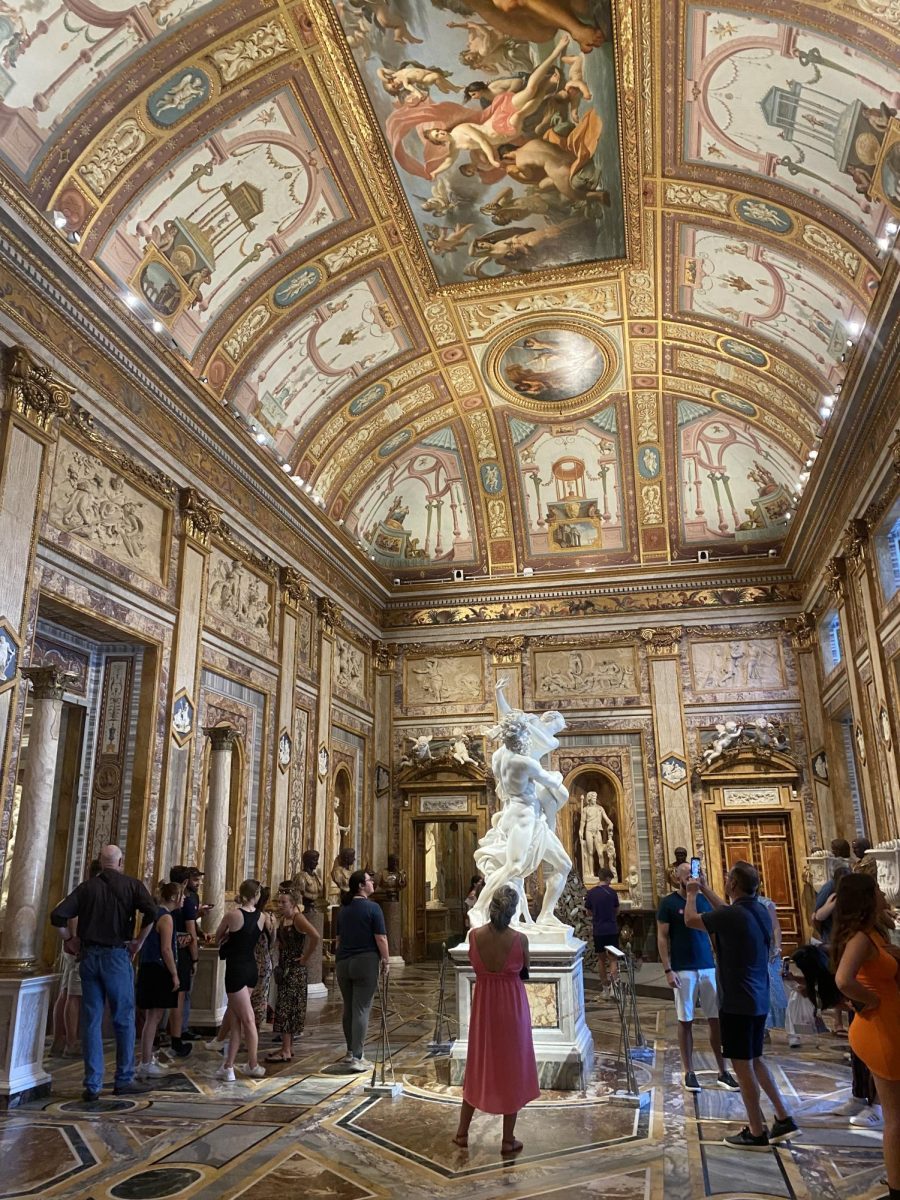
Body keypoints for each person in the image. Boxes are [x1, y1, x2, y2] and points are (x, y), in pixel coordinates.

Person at [685, 862, 799, 1150]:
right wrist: (705, 888)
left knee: (743, 1066)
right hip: (757, 997)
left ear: (734, 884)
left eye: (727, 880)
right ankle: (783, 1117)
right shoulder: (757, 909)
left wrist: (690, 894)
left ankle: (756, 1130)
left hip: (738, 1001)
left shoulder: (734, 915)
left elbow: (690, 920)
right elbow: (725, 910)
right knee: (756, 1060)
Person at [49, 843, 157, 1101]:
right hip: (117, 956)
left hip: (89, 957)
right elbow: (152, 913)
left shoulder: (87, 888)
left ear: (101, 861)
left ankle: (93, 1084)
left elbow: (57, 916)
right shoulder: (132, 886)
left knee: (91, 1019)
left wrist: (68, 940)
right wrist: (139, 941)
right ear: (120, 863)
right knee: (123, 1017)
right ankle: (123, 1079)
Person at [453, 885, 539, 1156]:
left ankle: (462, 1133)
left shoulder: (474, 936)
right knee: (511, 1066)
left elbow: (473, 963)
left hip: (484, 1005)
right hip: (512, 1005)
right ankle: (507, 1139)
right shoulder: (520, 939)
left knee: (479, 1063)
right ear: (513, 911)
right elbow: (525, 969)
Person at [832, 872, 900, 1196]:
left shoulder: (872, 932)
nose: (882, 892)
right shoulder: (860, 937)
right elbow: (844, 980)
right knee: (895, 1118)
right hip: (878, 1028)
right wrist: (871, 999)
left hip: (887, 1022)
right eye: (876, 890)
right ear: (866, 897)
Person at [657, 862, 739, 1092]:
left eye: (694, 873)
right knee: (686, 1020)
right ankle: (689, 1071)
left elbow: (715, 931)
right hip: (683, 967)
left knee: (715, 1019)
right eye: (686, 874)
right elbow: (662, 937)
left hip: (707, 966)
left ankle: (723, 1070)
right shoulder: (668, 903)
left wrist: (721, 963)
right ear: (677, 879)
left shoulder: (704, 900)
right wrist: (668, 969)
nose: (691, 877)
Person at [335, 868, 390, 1072]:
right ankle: (358, 1057)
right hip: (365, 961)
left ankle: (350, 1052)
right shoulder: (373, 908)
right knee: (361, 1009)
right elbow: (381, 938)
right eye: (369, 881)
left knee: (348, 1008)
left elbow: (338, 940)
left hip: (343, 963)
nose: (373, 883)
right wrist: (386, 959)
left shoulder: (344, 909)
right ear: (361, 885)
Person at [214, 879, 267, 1081]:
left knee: (247, 1019)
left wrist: (229, 935)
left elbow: (218, 937)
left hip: (236, 970)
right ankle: (228, 1067)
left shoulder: (232, 915)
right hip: (251, 969)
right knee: (236, 1020)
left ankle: (253, 1064)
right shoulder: (262, 917)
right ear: (257, 895)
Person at [50, 858, 102, 1058]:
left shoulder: (79, 891)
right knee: (74, 996)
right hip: (78, 952)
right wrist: (73, 940)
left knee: (65, 995)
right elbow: (72, 917)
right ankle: (71, 1043)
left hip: (71, 952)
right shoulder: (87, 891)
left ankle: (59, 1041)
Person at [266, 887, 320, 1062]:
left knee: (289, 1009)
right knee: (283, 1007)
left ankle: (286, 1050)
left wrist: (305, 957)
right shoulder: (285, 919)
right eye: (279, 902)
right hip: (284, 967)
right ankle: (286, 1047)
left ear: (293, 903)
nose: (280, 905)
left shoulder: (298, 918)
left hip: (295, 969)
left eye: (284, 902)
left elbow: (315, 936)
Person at [136, 881, 182, 1080]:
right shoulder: (166, 918)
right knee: (154, 1017)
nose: (184, 899)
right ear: (174, 898)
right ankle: (145, 1062)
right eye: (181, 895)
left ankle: (146, 1059)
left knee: (151, 1018)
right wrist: (174, 974)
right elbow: (166, 949)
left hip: (148, 967)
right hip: (158, 969)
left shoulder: (154, 913)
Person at [168, 865, 200, 1056]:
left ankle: (165, 1034)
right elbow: (191, 933)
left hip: (162, 953)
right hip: (180, 955)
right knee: (179, 996)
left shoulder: (162, 900)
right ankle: (176, 1038)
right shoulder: (186, 902)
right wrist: (195, 958)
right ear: (186, 882)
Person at [757, 888, 787, 1034]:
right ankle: (762, 1028)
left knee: (773, 989)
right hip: (752, 950)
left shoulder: (765, 903)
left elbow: (775, 927)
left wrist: (777, 947)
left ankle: (787, 1027)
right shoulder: (737, 904)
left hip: (768, 951)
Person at [586, 868, 620, 994]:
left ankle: (605, 988)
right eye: (610, 880)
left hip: (598, 930)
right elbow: (617, 910)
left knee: (601, 959)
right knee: (613, 959)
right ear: (607, 879)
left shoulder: (591, 893)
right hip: (611, 929)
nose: (610, 883)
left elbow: (588, 911)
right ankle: (613, 989)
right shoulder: (612, 893)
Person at [250, 886, 276, 1031]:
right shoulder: (266, 917)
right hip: (263, 960)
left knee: (249, 997)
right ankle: (255, 1029)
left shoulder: (248, 915)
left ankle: (247, 1028)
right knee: (260, 998)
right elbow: (272, 941)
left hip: (250, 960)